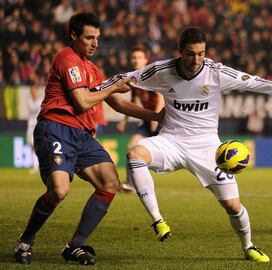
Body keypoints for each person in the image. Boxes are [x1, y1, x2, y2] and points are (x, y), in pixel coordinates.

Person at [97, 26, 272, 262]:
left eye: (201, 53)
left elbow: (254, 82)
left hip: (208, 148)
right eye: (191, 54)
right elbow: (125, 78)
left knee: (233, 206)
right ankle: (158, 220)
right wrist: (95, 89)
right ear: (180, 51)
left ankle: (249, 246)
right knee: (135, 154)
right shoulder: (161, 71)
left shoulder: (216, 72)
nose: (197, 59)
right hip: (171, 140)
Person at [14, 12, 162, 265]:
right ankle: (26, 240)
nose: (95, 43)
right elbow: (82, 101)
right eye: (89, 38)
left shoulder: (93, 69)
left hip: (82, 135)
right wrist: (114, 86)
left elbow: (118, 104)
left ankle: (75, 246)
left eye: (97, 38)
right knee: (59, 191)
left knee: (109, 183)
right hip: (56, 127)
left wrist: (157, 115)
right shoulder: (67, 58)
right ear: (74, 36)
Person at [117, 48, 164, 192]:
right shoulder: (134, 80)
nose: (136, 60)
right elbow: (132, 102)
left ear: (145, 60)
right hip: (147, 119)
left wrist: (155, 118)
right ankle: (130, 184)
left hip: (161, 118)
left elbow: (161, 97)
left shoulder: (151, 76)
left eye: (139, 57)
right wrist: (124, 121)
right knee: (131, 147)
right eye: (134, 57)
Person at [27, 85, 42, 174]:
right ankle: (34, 165)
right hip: (30, 126)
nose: (33, 93)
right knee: (31, 146)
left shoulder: (40, 101)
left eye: (34, 91)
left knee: (38, 146)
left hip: (37, 125)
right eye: (31, 91)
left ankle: (39, 165)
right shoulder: (29, 101)